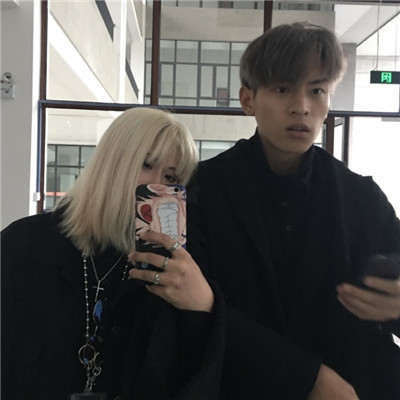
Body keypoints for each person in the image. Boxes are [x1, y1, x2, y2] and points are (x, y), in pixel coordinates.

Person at [187, 22, 400, 400]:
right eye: (282, 89)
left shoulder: (360, 197)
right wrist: (308, 379)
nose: (301, 106)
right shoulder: (204, 189)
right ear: (248, 100)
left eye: (317, 90)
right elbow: (196, 311)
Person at [1, 107, 225, 400]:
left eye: (171, 177)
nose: (156, 184)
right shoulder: (24, 245)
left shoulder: (168, 267)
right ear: (111, 161)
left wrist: (199, 305)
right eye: (146, 164)